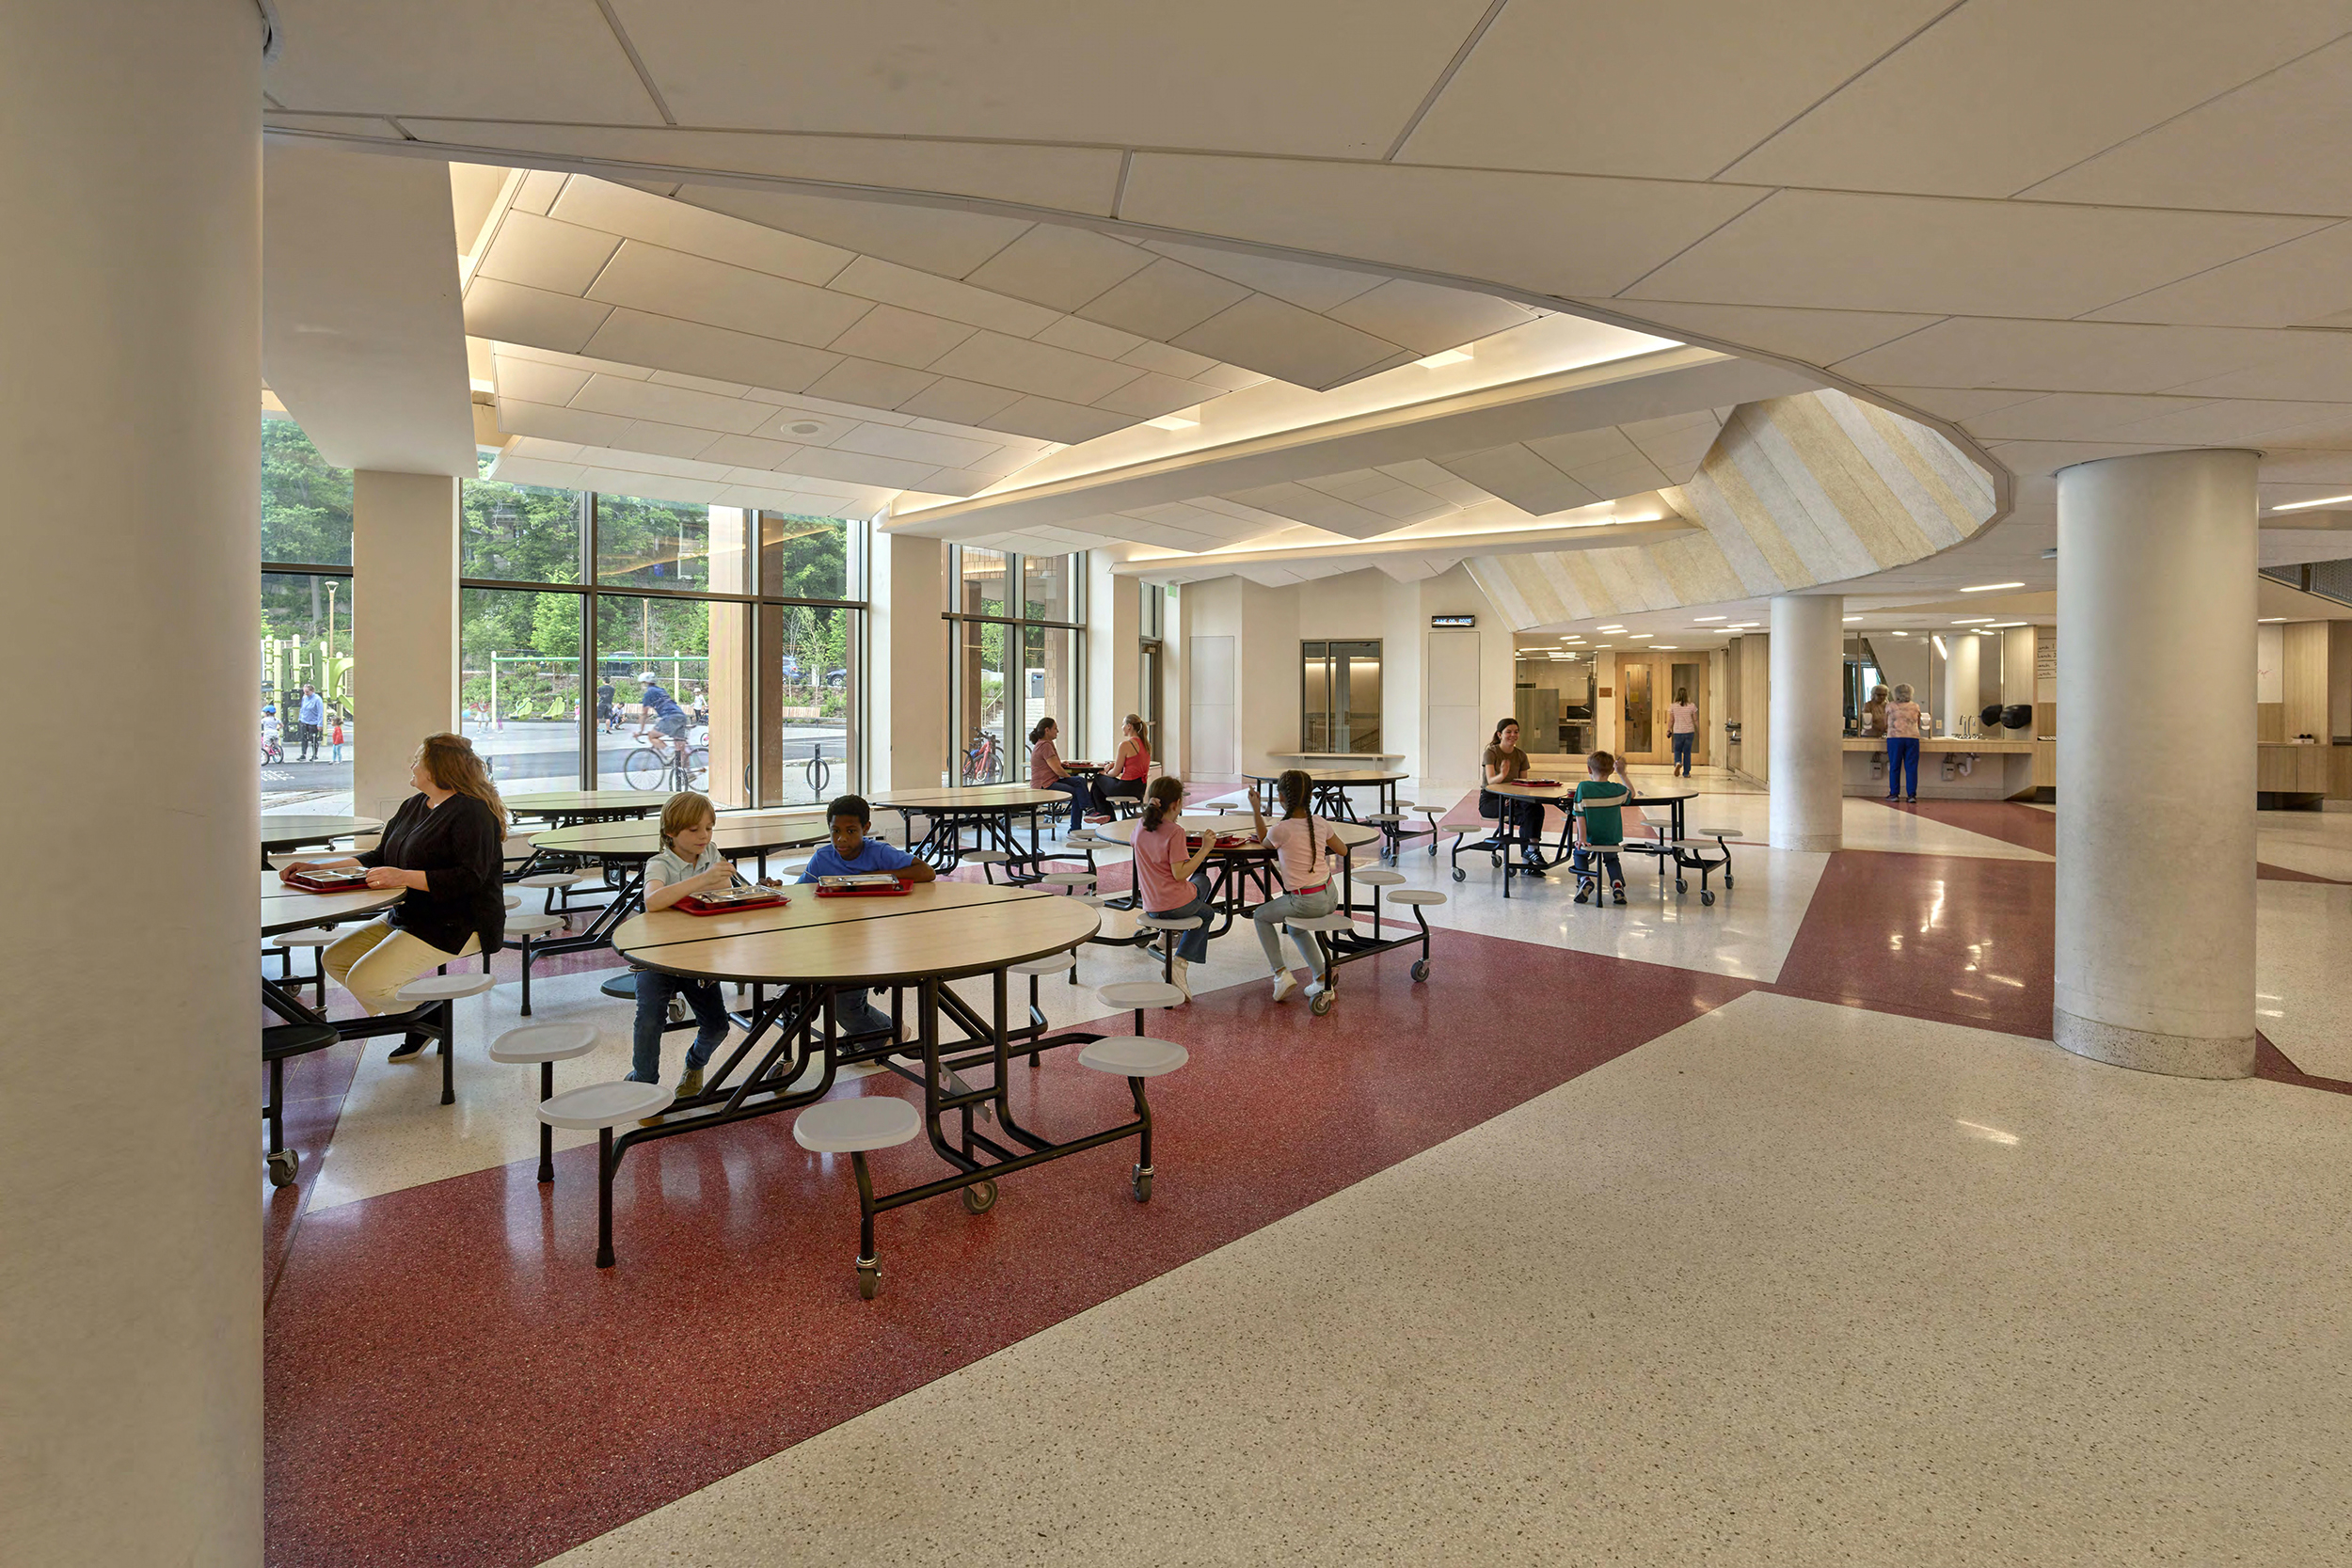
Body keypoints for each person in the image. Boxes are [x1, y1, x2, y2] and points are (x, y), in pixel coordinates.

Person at [282, 734, 506, 1044]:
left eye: (419, 760)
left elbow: (470, 878)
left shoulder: (473, 812)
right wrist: (319, 866)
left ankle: (424, 1018)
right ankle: (422, 1017)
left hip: (459, 922)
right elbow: (379, 855)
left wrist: (402, 877)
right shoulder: (414, 805)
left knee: (366, 981)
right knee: (335, 959)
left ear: (437, 769)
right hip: (410, 914)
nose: (412, 766)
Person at [630, 791, 774, 1110]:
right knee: (650, 1020)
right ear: (670, 832)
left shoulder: (710, 852)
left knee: (717, 1026)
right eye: (694, 830)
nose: (704, 836)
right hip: (658, 955)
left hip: (700, 957)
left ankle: (694, 1064)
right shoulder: (660, 863)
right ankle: (643, 1087)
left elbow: (727, 892)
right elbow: (653, 901)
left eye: (709, 828)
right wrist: (704, 880)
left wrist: (752, 888)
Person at [796, 795, 936, 1040]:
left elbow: (926, 871)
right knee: (800, 999)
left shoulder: (878, 852)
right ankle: (876, 1038)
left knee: (846, 1009)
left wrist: (875, 877)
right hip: (833, 942)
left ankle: (889, 1035)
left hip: (873, 943)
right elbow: (800, 894)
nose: (842, 839)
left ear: (866, 828)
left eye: (851, 831)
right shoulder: (822, 858)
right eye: (835, 831)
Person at [1247, 770, 1349, 1006]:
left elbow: (1264, 841)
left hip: (1305, 901)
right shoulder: (1320, 823)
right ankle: (1322, 977)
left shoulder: (1280, 829)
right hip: (1330, 895)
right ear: (1311, 795)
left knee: (1261, 916)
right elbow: (1342, 850)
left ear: (1281, 798)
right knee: (1295, 928)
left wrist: (1255, 808)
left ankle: (1280, 973)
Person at [1129, 774, 1217, 999]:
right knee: (1206, 911)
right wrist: (1205, 849)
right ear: (1177, 803)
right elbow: (1180, 874)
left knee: (1201, 882)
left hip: (1151, 904)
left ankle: (1170, 933)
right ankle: (1179, 963)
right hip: (1174, 904)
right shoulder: (1175, 832)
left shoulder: (1140, 826)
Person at [1480, 718, 1548, 877]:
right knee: (1527, 813)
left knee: (1535, 808)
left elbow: (1522, 782)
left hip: (1513, 797)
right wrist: (1503, 774)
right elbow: (1490, 782)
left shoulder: (1521, 755)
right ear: (1500, 734)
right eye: (1508, 732)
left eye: (1516, 732)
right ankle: (1529, 858)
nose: (1513, 735)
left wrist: (1516, 796)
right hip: (1492, 799)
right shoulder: (1491, 753)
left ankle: (1530, 853)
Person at [1571, 751, 1633, 906]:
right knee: (1612, 860)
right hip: (1611, 839)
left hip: (1590, 838)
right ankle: (1617, 885)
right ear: (1612, 771)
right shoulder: (1616, 789)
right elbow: (1632, 793)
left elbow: (1579, 815)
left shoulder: (1583, 787)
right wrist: (1623, 774)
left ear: (1589, 769)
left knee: (1579, 854)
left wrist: (1582, 839)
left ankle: (1585, 879)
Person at [1027, 717, 1090, 833]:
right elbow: (1057, 770)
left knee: (1080, 782)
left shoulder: (1046, 743)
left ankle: (1088, 812)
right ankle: (1085, 815)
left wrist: (1061, 764)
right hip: (1044, 784)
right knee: (1077, 788)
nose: (1058, 731)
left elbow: (1052, 764)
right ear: (1047, 730)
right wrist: (1068, 777)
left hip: (1050, 781)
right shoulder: (1045, 745)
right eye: (1055, 728)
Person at [1087, 714, 1152, 821]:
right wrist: (1114, 765)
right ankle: (1103, 815)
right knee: (1099, 789)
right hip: (1140, 787)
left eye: (1123, 724)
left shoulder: (1125, 744)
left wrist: (1103, 772)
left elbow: (1115, 773)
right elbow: (1133, 765)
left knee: (1098, 779)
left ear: (1129, 726)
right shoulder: (1146, 745)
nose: (1122, 727)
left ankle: (1101, 814)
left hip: (1126, 787)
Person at [1884, 683, 1929, 803]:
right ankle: (1911, 795)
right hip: (1912, 738)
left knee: (1894, 766)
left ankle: (1894, 794)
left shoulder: (1890, 706)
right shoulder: (1915, 706)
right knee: (1911, 767)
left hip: (1894, 738)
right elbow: (1918, 723)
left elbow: (1885, 723)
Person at [635, 672, 691, 763]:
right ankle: (688, 772)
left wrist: (640, 731)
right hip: (681, 716)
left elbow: (644, 714)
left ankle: (670, 752)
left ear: (645, 683)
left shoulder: (649, 693)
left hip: (670, 717)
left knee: (652, 736)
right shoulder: (661, 690)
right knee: (680, 747)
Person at [1666, 689, 1698, 778]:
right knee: (1687, 752)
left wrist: (1669, 729)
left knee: (1677, 750)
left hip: (1678, 731)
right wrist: (1699, 729)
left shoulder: (1673, 706)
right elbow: (1695, 719)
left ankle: (1678, 762)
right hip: (1689, 731)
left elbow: (1671, 720)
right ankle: (1686, 773)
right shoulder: (1692, 706)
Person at [297, 683, 326, 761]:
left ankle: (314, 754)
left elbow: (320, 712)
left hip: (313, 722)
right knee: (303, 738)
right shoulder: (304, 697)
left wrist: (320, 724)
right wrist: (300, 718)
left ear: (312, 691)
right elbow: (302, 708)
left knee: (313, 739)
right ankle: (303, 754)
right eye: (304, 692)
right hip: (304, 720)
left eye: (307, 692)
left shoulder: (317, 699)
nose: (306, 694)